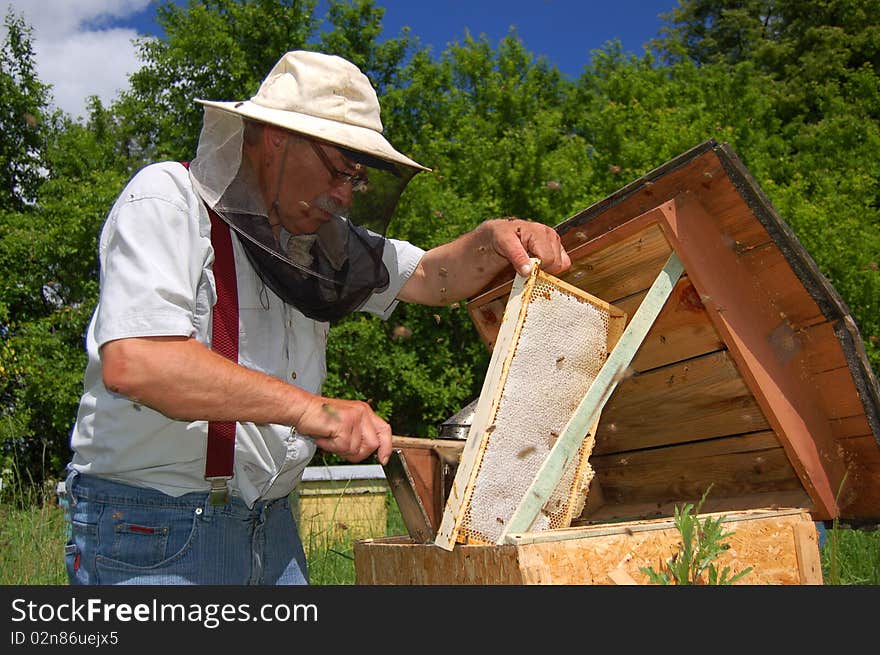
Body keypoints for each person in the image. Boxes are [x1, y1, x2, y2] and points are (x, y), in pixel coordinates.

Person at [60, 50, 571, 585]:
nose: (345, 194)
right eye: (338, 170)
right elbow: (138, 362)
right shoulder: (166, 200)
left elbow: (433, 275)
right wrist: (313, 411)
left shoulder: (319, 241)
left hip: (273, 527)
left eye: (356, 177)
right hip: (153, 530)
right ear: (279, 138)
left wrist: (495, 237)